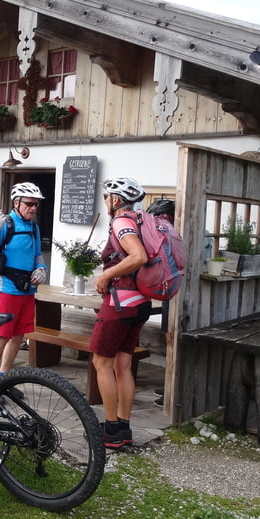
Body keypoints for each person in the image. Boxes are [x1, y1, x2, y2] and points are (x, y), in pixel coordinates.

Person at [91, 177, 153, 450]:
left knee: (102, 364)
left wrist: (107, 275)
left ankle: (111, 431)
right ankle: (124, 428)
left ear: (116, 200)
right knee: (122, 365)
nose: (105, 201)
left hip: (120, 304)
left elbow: (138, 256)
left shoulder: (121, 222)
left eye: (107, 197)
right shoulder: (141, 221)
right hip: (140, 302)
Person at [0, 182, 48, 379]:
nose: (33, 208)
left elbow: (37, 254)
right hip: (6, 288)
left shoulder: (34, 227)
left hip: (27, 289)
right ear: (16, 202)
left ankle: (4, 377)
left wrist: (41, 269)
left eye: (36, 204)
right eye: (29, 204)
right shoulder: (6, 223)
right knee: (2, 335)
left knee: (19, 335)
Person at [143, 198, 175, 407]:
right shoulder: (170, 234)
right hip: (170, 294)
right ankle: (170, 385)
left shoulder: (173, 237)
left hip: (177, 296)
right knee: (169, 340)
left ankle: (174, 391)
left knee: (174, 341)